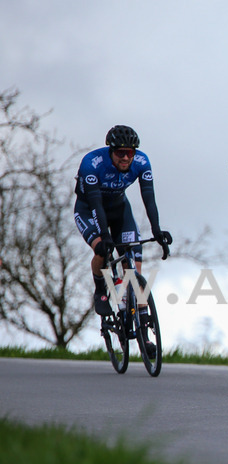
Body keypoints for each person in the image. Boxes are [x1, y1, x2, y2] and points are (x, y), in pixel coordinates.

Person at [73, 125, 172, 358]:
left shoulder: (142, 162)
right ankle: (101, 289)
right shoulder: (92, 163)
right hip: (89, 210)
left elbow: (149, 197)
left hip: (120, 211)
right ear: (111, 151)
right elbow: (95, 203)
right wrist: (105, 238)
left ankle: (144, 337)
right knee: (101, 250)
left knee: (134, 269)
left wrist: (156, 230)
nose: (126, 157)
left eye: (130, 152)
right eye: (120, 153)